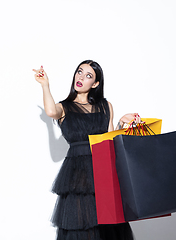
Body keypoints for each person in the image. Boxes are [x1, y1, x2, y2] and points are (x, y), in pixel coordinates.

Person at [33, 60, 141, 240]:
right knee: (81, 225)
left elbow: (109, 139)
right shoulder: (64, 107)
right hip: (77, 175)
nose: (81, 77)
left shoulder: (105, 106)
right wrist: (45, 85)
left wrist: (121, 123)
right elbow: (51, 112)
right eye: (79, 72)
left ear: (96, 84)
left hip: (103, 171)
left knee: (107, 224)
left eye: (88, 76)